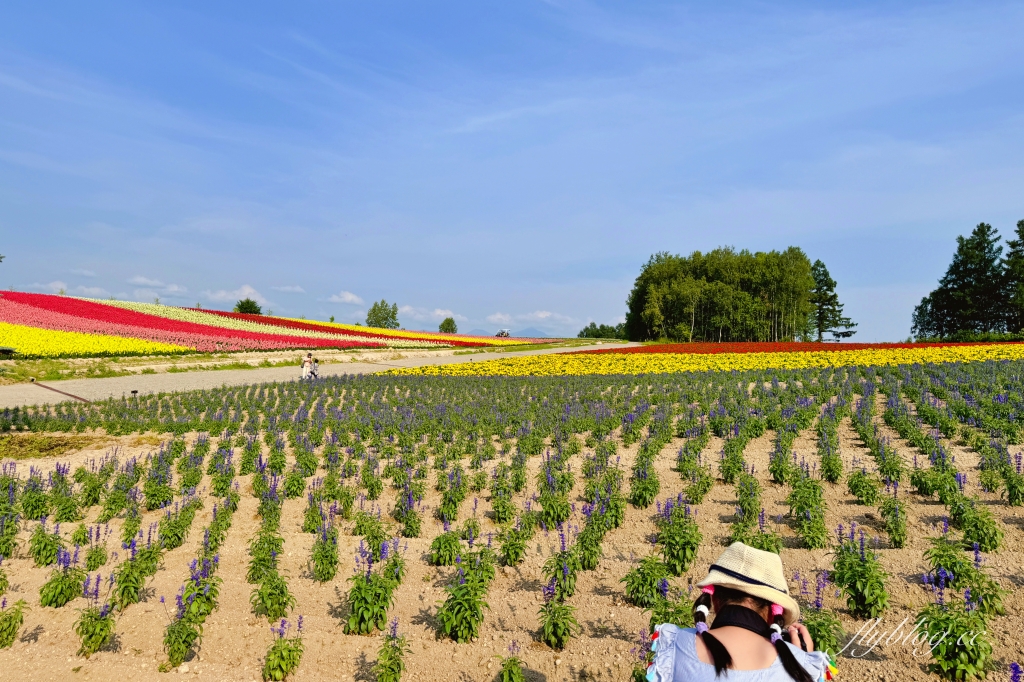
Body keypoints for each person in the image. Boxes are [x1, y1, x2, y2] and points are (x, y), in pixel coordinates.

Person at [645, 542, 837, 682]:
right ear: (773, 612)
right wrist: (801, 663)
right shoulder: (799, 665)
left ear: (715, 601)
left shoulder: (674, 645)